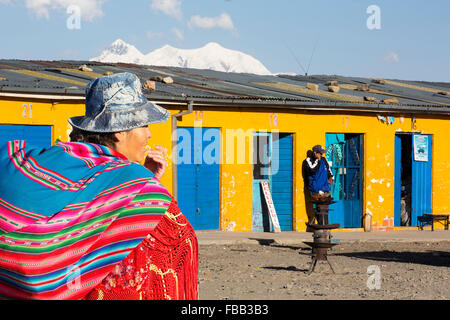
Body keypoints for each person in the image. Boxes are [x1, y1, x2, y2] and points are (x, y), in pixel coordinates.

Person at [0, 72, 198, 300]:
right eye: (144, 125)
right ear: (120, 131)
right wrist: (145, 185)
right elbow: (180, 241)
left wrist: (145, 178)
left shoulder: (37, 162)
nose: (149, 133)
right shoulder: (135, 183)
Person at [303, 145, 334, 225]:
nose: (321, 155)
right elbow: (312, 170)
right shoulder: (308, 161)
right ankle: (319, 224)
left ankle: (325, 225)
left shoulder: (323, 159)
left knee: (325, 208)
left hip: (325, 188)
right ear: (315, 153)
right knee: (317, 208)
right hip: (315, 189)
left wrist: (330, 177)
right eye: (320, 153)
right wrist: (317, 160)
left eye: (322, 153)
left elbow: (328, 169)